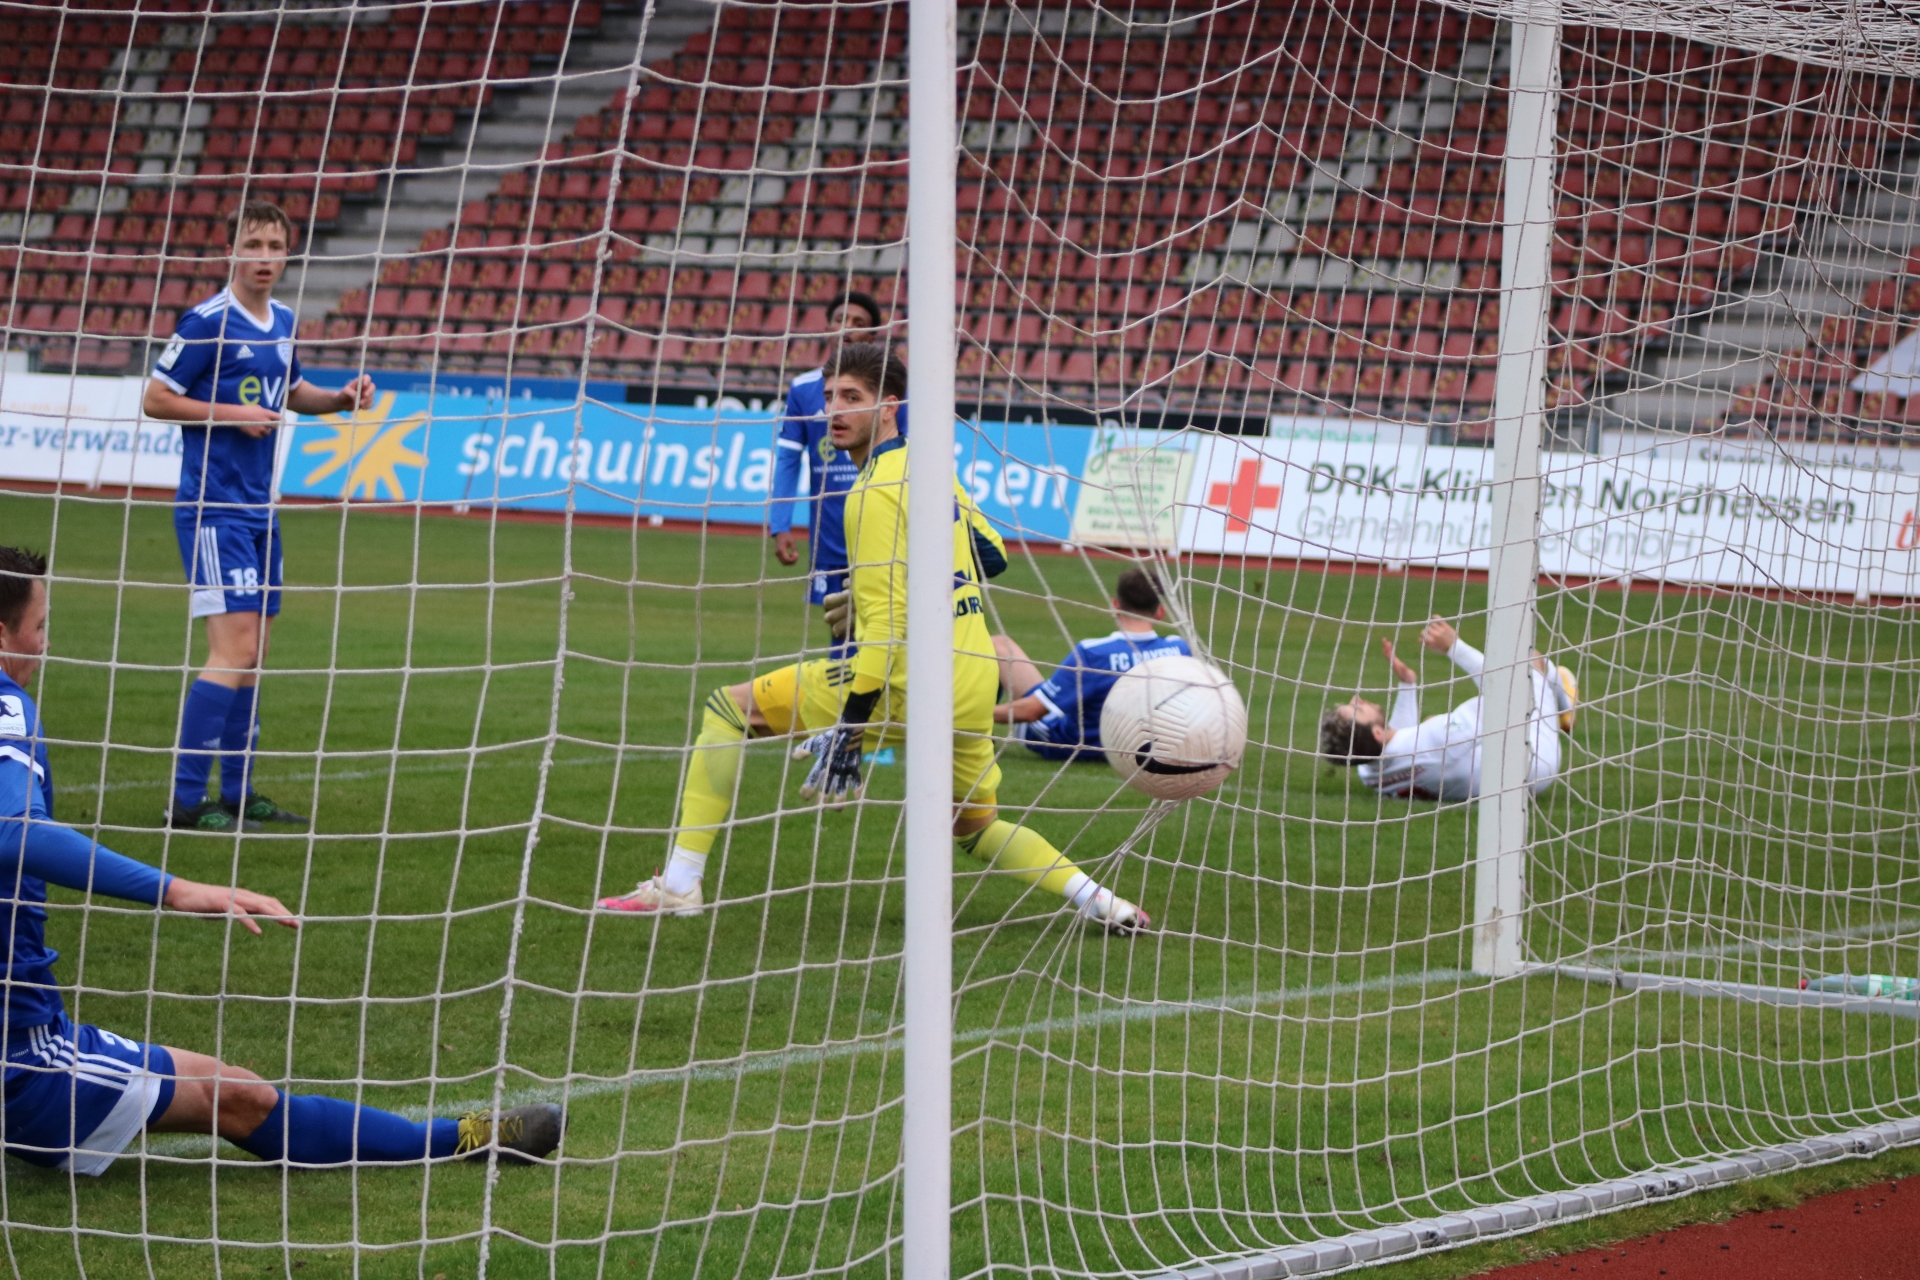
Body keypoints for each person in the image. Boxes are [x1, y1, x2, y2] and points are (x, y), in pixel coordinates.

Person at [0, 547, 562, 1172]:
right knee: (239, 1097)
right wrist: (179, 889)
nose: (46, 644)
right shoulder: (7, 705)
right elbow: (16, 830)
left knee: (225, 1081)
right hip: (24, 1060)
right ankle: (461, 1137)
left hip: (26, 1033)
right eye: (40, 626)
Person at [598, 344, 1148, 932]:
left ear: (889, 406)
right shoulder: (928, 467)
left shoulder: (870, 493)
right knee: (976, 827)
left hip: (905, 684)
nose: (834, 410)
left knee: (727, 710)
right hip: (971, 681)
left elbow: (884, 632)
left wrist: (851, 724)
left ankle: (680, 884)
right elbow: (993, 555)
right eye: (829, 397)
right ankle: (1103, 901)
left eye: (851, 397)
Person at [143, 198, 377, 833]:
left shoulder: (283, 321)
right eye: (254, 245)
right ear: (232, 251)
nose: (265, 258)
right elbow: (156, 398)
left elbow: (291, 392)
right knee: (235, 648)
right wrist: (231, 415)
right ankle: (186, 802)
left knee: (255, 652)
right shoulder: (206, 322)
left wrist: (340, 399)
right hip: (213, 508)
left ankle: (239, 794)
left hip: (259, 512)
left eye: (275, 246)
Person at [1318, 615, 1577, 802]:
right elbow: (1507, 692)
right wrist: (1454, 647)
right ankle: (1564, 705)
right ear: (1375, 732)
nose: (1357, 698)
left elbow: (1400, 738)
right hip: (1536, 760)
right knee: (1526, 659)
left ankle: (1555, 707)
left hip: (1502, 777)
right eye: (1357, 709)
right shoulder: (1437, 736)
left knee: (1442, 728)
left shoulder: (1368, 771)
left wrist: (1407, 683)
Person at [766, 289, 898, 647]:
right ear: (827, 327)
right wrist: (780, 523)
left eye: (858, 322)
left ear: (872, 336)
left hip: (882, 528)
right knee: (841, 630)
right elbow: (789, 458)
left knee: (886, 629)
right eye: (841, 319)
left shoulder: (893, 390)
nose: (847, 328)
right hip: (830, 533)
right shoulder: (803, 389)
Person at [991, 567, 1192, 762]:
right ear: (1160, 612)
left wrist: (975, 714)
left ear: (1115, 605)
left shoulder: (1093, 652)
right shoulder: (1179, 649)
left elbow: (1031, 712)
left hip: (1071, 744)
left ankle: (976, 729)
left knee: (999, 644)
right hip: (1138, 746)